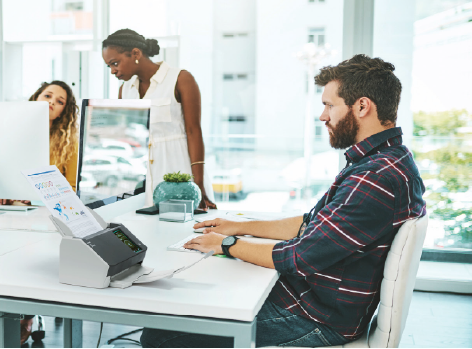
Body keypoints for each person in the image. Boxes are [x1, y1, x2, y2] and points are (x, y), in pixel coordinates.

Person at [141, 54, 426, 347]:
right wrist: (238, 227)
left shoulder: (375, 177)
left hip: (315, 317)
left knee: (162, 332)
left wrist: (224, 245)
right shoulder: (383, 161)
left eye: (329, 105)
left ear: (362, 106)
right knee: (205, 294)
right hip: (315, 300)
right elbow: (310, 224)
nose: (323, 116)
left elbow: (299, 258)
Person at [102, 29, 216, 210]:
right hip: (141, 173)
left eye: (115, 63)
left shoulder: (180, 79)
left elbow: (194, 131)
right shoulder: (125, 90)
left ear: (136, 53)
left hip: (179, 167)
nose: (113, 71)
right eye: (109, 66)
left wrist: (198, 185)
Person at [0, 81, 79, 206]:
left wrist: (37, 198)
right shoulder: (10, 133)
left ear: (62, 112)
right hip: (6, 210)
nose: (52, 101)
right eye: (47, 96)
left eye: (60, 102)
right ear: (35, 98)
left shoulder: (69, 144)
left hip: (43, 212)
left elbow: (72, 189)